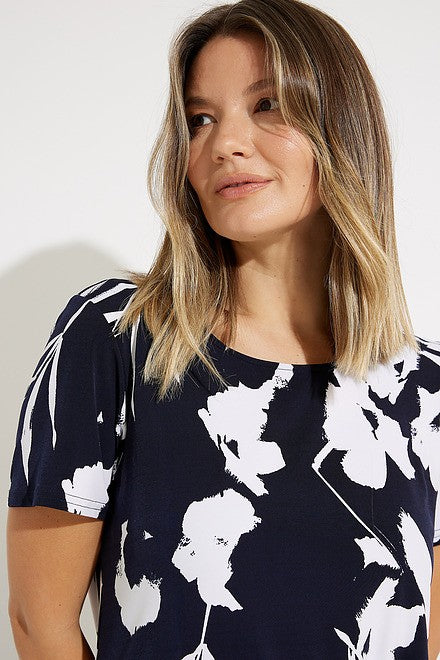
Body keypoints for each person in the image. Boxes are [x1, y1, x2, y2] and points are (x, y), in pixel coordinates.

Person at [6, 0, 440, 657]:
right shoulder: (116, 335)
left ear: (343, 128)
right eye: (199, 119)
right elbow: (41, 624)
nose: (224, 143)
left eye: (267, 105)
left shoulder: (426, 390)